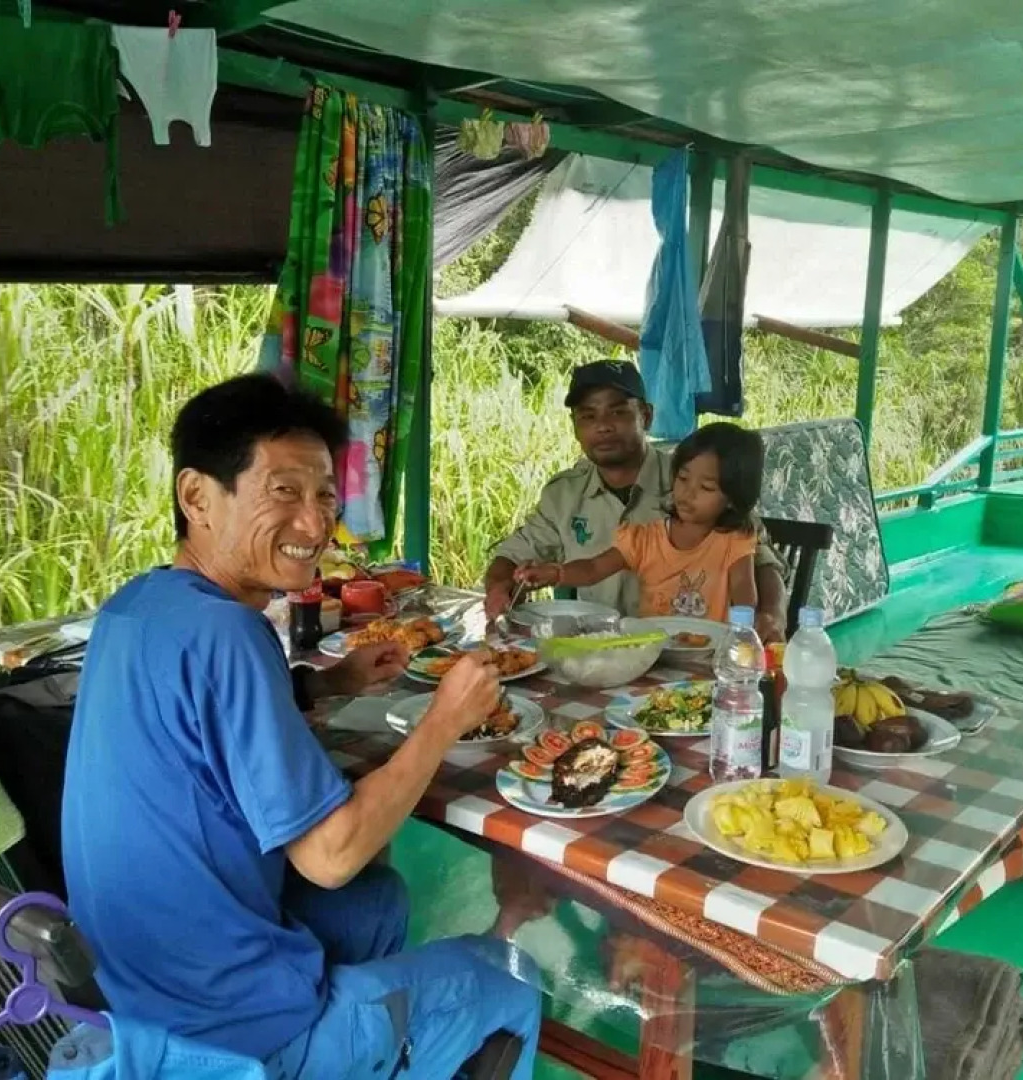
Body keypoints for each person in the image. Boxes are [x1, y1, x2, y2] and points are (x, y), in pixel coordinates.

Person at [62, 374, 541, 1080]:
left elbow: (199, 714)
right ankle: (336, 1047)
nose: (316, 527)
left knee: (376, 903)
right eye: (284, 492)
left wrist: (325, 684)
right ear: (196, 496)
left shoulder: (136, 606)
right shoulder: (231, 633)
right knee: (513, 980)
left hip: (135, 994)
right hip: (227, 1038)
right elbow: (330, 854)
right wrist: (444, 719)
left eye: (324, 497)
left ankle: (374, 1046)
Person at [484, 360, 789, 640]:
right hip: (598, 648)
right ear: (575, 427)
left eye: (618, 412)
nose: (603, 426)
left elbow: (761, 558)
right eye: (588, 416)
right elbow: (514, 556)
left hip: (690, 649)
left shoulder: (691, 478)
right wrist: (499, 588)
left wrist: (772, 614)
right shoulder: (564, 495)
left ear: (646, 416)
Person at [513, 423, 764, 623]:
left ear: (733, 499)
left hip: (710, 657)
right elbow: (593, 568)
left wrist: (742, 636)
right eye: (683, 478)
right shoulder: (645, 539)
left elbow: (745, 594)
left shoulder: (734, 540)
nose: (688, 493)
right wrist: (555, 573)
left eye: (706, 487)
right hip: (652, 654)